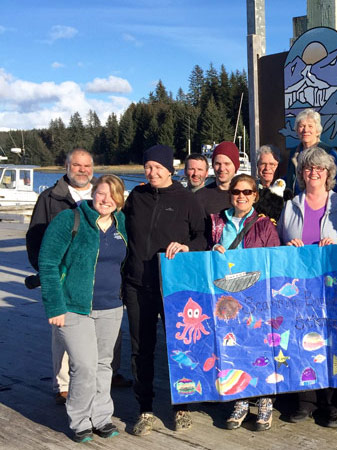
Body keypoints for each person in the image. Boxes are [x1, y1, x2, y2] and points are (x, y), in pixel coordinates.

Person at [123, 145, 207, 436]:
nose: (152, 172)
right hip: (137, 285)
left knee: (179, 348)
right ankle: (144, 409)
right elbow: (120, 231)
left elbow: (202, 237)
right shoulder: (137, 196)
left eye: (158, 168)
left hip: (174, 288)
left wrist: (187, 247)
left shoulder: (185, 199)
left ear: (170, 170)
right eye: (147, 167)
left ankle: (181, 407)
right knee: (141, 350)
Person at [38, 174, 128, 443]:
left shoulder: (120, 222)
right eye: (102, 193)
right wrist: (55, 306)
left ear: (120, 200)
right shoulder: (70, 220)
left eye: (113, 196)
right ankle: (79, 419)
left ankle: (101, 418)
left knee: (104, 364)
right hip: (74, 307)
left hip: (111, 306)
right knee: (84, 366)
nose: (106, 200)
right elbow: (48, 263)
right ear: (93, 193)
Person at [277, 147, 337, 428]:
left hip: (334, 290)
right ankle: (305, 401)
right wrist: (288, 247)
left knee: (333, 343)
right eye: (308, 169)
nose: (313, 173)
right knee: (304, 342)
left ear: (329, 174)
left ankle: (332, 405)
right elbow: (278, 246)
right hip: (300, 290)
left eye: (319, 169)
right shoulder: (290, 206)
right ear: (301, 174)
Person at [208, 173, 281, 431]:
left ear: (255, 196)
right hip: (228, 299)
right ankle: (240, 400)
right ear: (231, 194)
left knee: (260, 348)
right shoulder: (218, 223)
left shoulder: (264, 225)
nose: (241, 196)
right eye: (237, 192)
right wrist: (213, 252)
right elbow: (207, 262)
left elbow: (274, 261)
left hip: (256, 298)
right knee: (234, 349)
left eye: (247, 192)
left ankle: (264, 400)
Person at [27, 148, 96, 405]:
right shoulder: (50, 197)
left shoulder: (102, 194)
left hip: (95, 274)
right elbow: (34, 235)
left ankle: (105, 373)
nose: (82, 170)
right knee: (63, 330)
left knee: (98, 324)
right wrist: (45, 271)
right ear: (67, 166)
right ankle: (63, 383)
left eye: (87, 166)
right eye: (77, 165)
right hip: (63, 275)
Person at [285, 109, 337, 195]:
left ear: (317, 131)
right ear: (297, 130)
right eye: (302, 126)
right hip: (297, 203)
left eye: (310, 126)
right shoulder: (294, 153)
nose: (305, 130)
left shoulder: (329, 152)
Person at [195, 141, 240, 216]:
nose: (222, 168)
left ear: (235, 166)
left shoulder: (245, 195)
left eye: (227, 164)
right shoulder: (200, 197)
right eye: (217, 164)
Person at [254, 144, 293, 222]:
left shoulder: (287, 191)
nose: (267, 168)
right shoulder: (250, 190)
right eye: (263, 164)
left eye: (272, 164)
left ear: (278, 166)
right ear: (257, 165)